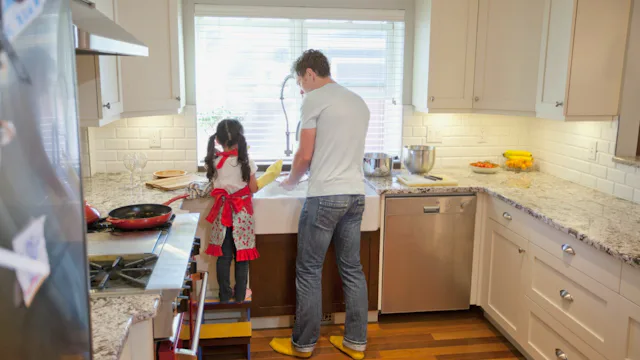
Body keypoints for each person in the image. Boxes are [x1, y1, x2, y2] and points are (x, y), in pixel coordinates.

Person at [270, 50, 370, 360]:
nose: (301, 88)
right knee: (352, 269)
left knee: (309, 270)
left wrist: (289, 181)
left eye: (301, 81)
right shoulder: (357, 101)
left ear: (310, 74)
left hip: (325, 196)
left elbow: (305, 154)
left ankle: (302, 345)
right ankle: (356, 343)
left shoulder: (314, 99)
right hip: (356, 195)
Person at [186, 119, 259, 303]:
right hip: (242, 214)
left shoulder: (215, 161)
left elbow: (212, 185)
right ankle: (241, 296)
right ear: (240, 138)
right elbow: (254, 187)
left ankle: (224, 296)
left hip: (223, 214)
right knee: (242, 257)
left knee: (224, 257)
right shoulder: (246, 160)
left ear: (217, 140)